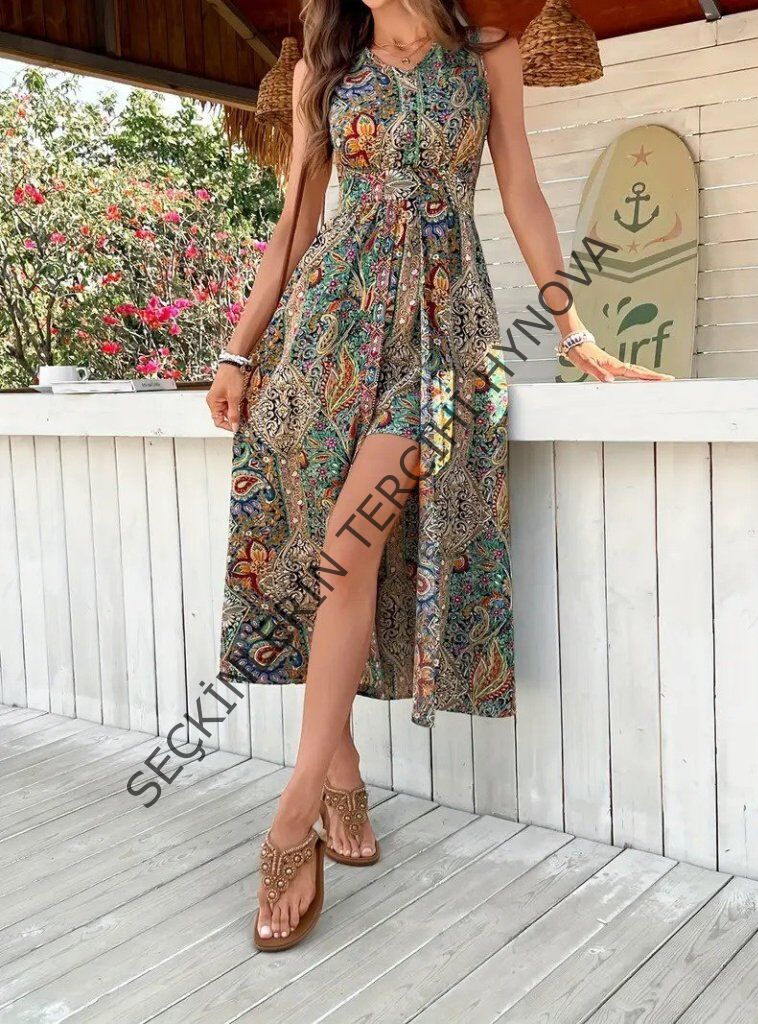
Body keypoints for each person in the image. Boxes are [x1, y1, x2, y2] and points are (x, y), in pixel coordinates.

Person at [207, 0, 671, 952]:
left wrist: (571, 327)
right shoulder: (327, 65)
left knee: (347, 548)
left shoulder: (486, 55)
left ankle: (292, 815)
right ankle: (340, 775)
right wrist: (239, 350)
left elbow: (522, 192)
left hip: (445, 329)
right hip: (328, 327)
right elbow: (296, 219)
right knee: (321, 549)